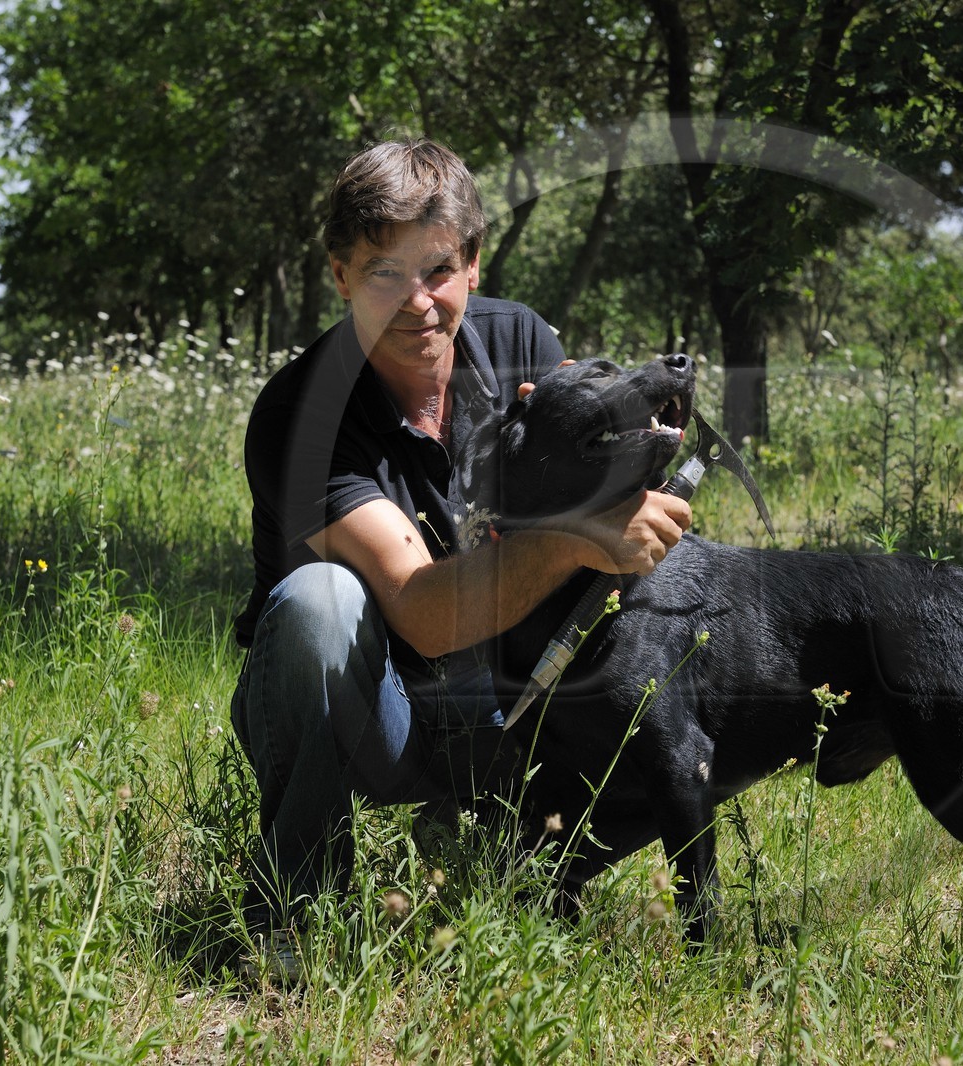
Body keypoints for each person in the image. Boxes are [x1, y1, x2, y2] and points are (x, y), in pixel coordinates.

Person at [229, 139, 690, 969]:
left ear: (473, 264)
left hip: (514, 694)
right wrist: (585, 535)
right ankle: (300, 914)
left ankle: (535, 870)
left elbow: (586, 488)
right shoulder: (303, 414)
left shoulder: (523, 343)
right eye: (382, 273)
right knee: (319, 602)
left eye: (438, 269)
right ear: (339, 276)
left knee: (668, 641)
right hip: (376, 707)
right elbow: (422, 608)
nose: (418, 302)